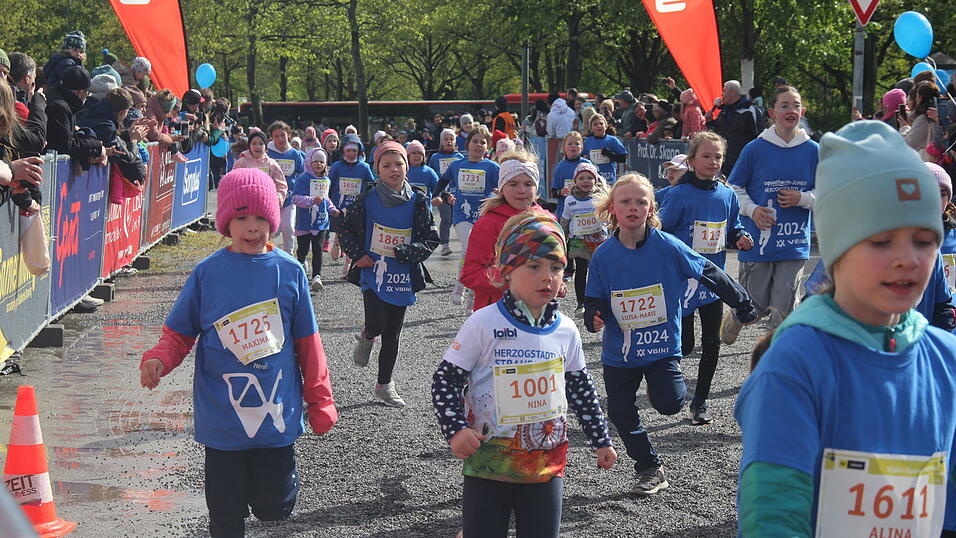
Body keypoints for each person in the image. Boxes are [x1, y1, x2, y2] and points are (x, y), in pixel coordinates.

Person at [735, 120, 956, 538]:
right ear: (837, 248)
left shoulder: (946, 358)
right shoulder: (795, 364)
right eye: (880, 241)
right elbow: (773, 514)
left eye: (925, 240)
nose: (907, 258)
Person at [139, 168, 338, 537]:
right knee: (225, 517)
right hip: (222, 421)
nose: (252, 227)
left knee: (273, 507)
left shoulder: (289, 271)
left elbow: (309, 344)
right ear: (226, 223)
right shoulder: (207, 274)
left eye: (262, 218)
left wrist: (320, 401)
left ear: (274, 221)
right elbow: (179, 333)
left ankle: (270, 491)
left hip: (275, 417)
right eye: (242, 218)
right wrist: (159, 358)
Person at [431, 210, 616, 538]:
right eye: (534, 266)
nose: (547, 276)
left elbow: (580, 388)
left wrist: (601, 439)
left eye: (556, 268)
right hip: (489, 465)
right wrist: (456, 429)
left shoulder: (567, 331)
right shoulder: (483, 323)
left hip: (546, 467)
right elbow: (445, 379)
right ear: (506, 272)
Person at [584, 173, 756, 495]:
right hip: (619, 352)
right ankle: (649, 467)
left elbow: (709, 272)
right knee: (619, 412)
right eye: (625, 202)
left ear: (651, 209)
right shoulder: (604, 254)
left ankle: (661, 386)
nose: (633, 207)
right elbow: (594, 297)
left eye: (641, 201)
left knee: (669, 404)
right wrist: (592, 315)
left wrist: (741, 302)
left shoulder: (668, 246)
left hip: (661, 347)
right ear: (612, 209)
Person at [658, 132, 753, 425]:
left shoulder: (727, 195)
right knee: (684, 345)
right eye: (706, 156)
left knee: (711, 342)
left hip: (712, 282)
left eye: (718, 156)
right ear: (691, 160)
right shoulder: (678, 195)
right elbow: (661, 231)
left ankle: (700, 402)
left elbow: (733, 225)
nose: (713, 162)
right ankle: (663, 381)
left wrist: (741, 236)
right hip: (682, 282)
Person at [339, 142, 440, 407]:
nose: (394, 170)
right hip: (372, 271)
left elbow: (431, 238)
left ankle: (384, 384)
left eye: (399, 164)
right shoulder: (366, 199)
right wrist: (358, 254)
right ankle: (367, 335)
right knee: (377, 323)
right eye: (387, 165)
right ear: (377, 171)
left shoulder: (418, 199)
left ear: (408, 166)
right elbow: (345, 229)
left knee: (393, 332)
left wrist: (407, 252)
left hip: (403, 274)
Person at [723, 86, 819, 344]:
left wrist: (804, 198)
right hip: (758, 241)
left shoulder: (814, 151)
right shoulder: (755, 149)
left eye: (796, 105)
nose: (791, 111)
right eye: (785, 105)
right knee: (754, 305)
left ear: (803, 111)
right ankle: (736, 316)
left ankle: (774, 368)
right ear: (772, 111)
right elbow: (734, 188)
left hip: (794, 242)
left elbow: (828, 192)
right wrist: (753, 210)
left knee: (783, 311)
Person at [460, 151, 543, 312]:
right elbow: (470, 274)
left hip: (536, 311)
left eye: (528, 184)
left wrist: (555, 280)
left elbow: (556, 262)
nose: (521, 190)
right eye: (513, 184)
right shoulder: (488, 224)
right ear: (501, 188)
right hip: (497, 312)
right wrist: (512, 278)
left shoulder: (545, 220)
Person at [434, 126, 499, 306]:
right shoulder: (457, 164)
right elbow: (442, 181)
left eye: (483, 142)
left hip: (484, 218)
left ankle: (471, 296)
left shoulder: (492, 167)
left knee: (480, 255)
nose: (478, 145)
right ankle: (460, 288)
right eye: (475, 141)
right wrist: (441, 195)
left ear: (488, 147)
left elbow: (506, 187)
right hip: (462, 215)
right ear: (467, 144)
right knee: (470, 246)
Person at [560, 162, 608, 315]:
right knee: (581, 269)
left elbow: (609, 216)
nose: (585, 181)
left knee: (599, 270)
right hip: (578, 240)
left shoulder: (600, 197)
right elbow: (565, 220)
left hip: (598, 239)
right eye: (581, 178)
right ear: (575, 181)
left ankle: (601, 300)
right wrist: (562, 239)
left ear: (595, 180)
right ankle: (581, 303)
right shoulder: (570, 200)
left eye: (589, 178)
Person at [328, 132, 375, 275]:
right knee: (340, 232)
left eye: (354, 151)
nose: (351, 154)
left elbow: (371, 184)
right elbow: (328, 186)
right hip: (338, 207)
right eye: (348, 150)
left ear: (359, 151)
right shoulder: (336, 167)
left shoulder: (364, 167)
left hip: (356, 208)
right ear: (343, 150)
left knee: (352, 237)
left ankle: (347, 266)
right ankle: (336, 242)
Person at [293, 148, 339, 291]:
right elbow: (295, 198)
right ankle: (301, 264)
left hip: (321, 222)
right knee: (303, 250)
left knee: (318, 250)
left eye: (322, 162)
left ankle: (316, 276)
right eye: (315, 161)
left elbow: (326, 199)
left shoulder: (326, 180)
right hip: (305, 222)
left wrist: (332, 209)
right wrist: (311, 200)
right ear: (309, 162)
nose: (319, 164)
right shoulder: (303, 179)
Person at [705, 80, 760, 175]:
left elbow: (759, 135)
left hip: (744, 162)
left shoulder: (750, 111)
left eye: (724, 91)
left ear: (733, 92)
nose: (722, 95)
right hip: (726, 162)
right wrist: (710, 122)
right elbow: (717, 133)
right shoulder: (723, 112)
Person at [266, 121, 304, 253]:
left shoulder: (295, 154)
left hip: (289, 199)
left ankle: (289, 254)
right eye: (276, 136)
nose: (280, 139)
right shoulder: (267, 153)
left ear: (288, 134)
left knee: (288, 228)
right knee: (271, 230)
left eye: (283, 135)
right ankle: (266, 253)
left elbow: (302, 173)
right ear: (271, 137)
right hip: (271, 199)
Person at [428, 129, 463, 257]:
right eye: (446, 139)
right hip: (442, 193)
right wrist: (434, 192)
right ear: (441, 141)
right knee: (446, 219)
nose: (449, 141)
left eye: (451, 139)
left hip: (456, 194)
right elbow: (431, 175)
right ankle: (445, 245)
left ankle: (466, 244)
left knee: (458, 219)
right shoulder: (435, 157)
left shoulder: (459, 157)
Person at [232, 129, 287, 205]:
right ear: (249, 146)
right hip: (246, 206)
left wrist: (277, 199)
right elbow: (233, 184)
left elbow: (281, 185)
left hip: (267, 205)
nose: (257, 146)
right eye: (254, 143)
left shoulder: (272, 164)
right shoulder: (241, 163)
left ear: (266, 147)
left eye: (261, 144)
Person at [900, 80, 941, 158]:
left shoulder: (923, 119)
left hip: (927, 163)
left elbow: (907, 145)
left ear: (920, 97)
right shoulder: (940, 117)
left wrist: (904, 128)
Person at [583, 114, 627, 185]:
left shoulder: (613, 140)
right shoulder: (588, 142)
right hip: (593, 181)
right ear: (591, 129)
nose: (599, 126)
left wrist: (609, 154)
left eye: (601, 123)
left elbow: (623, 158)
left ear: (606, 126)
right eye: (595, 124)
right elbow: (583, 158)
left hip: (609, 180)